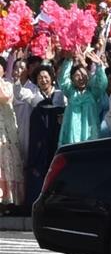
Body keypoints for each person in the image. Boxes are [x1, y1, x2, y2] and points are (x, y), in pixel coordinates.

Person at [24, 65, 65, 208]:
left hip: (56, 136)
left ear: (52, 79)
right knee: (38, 169)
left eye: (46, 77)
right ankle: (36, 203)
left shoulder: (60, 95)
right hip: (39, 140)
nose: (43, 80)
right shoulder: (34, 97)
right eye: (40, 78)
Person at [58, 49, 109, 146]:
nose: (81, 78)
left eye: (83, 75)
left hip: (90, 134)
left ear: (88, 77)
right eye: (77, 75)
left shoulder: (93, 93)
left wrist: (99, 66)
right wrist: (68, 61)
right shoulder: (70, 92)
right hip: (71, 135)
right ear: (72, 79)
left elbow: (102, 83)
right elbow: (63, 80)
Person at [0, 74, 25, 212]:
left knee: (7, 164)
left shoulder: (7, 85)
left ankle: (7, 202)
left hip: (6, 134)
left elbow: (5, 96)